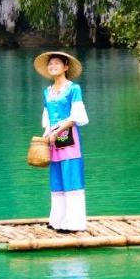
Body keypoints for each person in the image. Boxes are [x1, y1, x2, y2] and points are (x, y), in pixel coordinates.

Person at [34, 51, 89, 233]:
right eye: (50, 64)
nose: (53, 66)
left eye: (57, 63)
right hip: (52, 138)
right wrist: (47, 133)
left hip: (68, 137)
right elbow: (47, 117)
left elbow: (76, 117)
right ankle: (57, 220)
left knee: (71, 177)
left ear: (66, 67)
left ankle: (74, 223)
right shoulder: (47, 92)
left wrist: (57, 132)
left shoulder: (74, 89)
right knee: (56, 178)